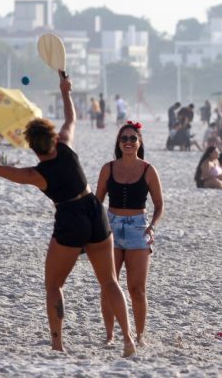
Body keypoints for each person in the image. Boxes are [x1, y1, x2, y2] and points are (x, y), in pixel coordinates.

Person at [0, 72, 136, 357]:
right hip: (93, 209)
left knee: (53, 285)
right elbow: (71, 118)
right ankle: (129, 340)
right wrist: (65, 90)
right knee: (109, 281)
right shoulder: (65, 144)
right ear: (52, 137)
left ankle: (58, 343)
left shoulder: (37, 174)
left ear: (32, 148)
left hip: (70, 217)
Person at [95, 120, 164, 348]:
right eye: (124, 138)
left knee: (137, 289)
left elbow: (159, 204)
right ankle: (109, 335)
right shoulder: (108, 168)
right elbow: (98, 202)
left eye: (132, 138)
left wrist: (152, 226)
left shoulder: (148, 169)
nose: (128, 142)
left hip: (138, 229)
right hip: (111, 227)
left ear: (139, 142)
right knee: (108, 285)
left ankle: (140, 335)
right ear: (118, 142)